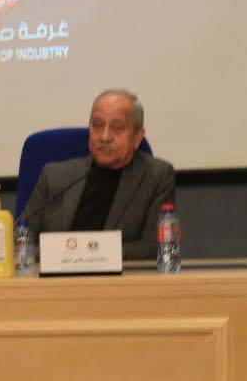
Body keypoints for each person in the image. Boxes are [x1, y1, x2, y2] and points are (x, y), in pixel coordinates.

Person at [22, 89, 176, 260]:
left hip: (121, 277)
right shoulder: (54, 176)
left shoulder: (156, 177)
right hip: (54, 275)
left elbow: (155, 248)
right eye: (97, 125)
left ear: (138, 137)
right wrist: (65, 256)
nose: (105, 136)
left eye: (118, 128)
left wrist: (89, 254)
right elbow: (21, 238)